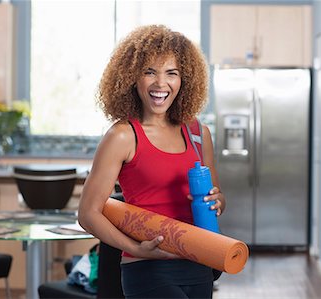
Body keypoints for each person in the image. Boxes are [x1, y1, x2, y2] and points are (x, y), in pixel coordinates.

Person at [78, 24, 226, 299]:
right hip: (148, 268)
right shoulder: (123, 136)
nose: (161, 84)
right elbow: (87, 213)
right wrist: (135, 248)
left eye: (172, 73)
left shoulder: (197, 134)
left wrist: (218, 201)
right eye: (150, 72)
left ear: (184, 80)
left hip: (199, 263)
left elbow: (217, 201)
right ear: (133, 78)